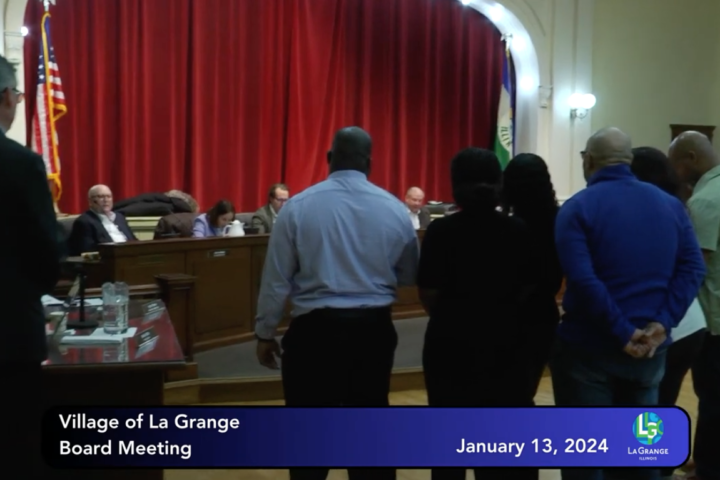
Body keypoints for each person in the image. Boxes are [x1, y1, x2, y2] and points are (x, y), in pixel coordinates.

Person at [254, 126, 419, 480]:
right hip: (373, 330)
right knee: (370, 431)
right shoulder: (395, 210)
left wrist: (265, 332)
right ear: (370, 163)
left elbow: (276, 279)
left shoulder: (297, 208)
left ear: (329, 160)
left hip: (315, 333)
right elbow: (408, 275)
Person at [551, 128, 705, 480]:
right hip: (651, 352)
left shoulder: (577, 209)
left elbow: (584, 280)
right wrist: (662, 323)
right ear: (630, 162)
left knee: (586, 458)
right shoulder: (671, 206)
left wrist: (622, 332)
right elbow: (694, 267)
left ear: (588, 161)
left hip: (589, 349)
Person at [418, 148, 536, 480]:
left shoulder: (442, 232)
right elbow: (530, 286)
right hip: (506, 344)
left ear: (455, 186)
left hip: (450, 344)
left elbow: (428, 293)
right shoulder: (517, 230)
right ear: (499, 184)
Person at [0, 54, 62, 475]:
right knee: (16, 447)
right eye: (20, 97)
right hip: (8, 334)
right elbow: (46, 254)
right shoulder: (20, 164)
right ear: (6, 96)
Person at [631, 146, 706, 480]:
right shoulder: (678, 206)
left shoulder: (640, 212)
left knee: (645, 409)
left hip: (664, 324)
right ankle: (661, 464)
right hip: (690, 321)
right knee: (663, 402)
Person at [668, 131, 720, 480]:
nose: (673, 170)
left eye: (676, 162)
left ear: (690, 157)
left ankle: (708, 467)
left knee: (712, 395)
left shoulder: (705, 201)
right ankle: (705, 456)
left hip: (713, 316)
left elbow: (694, 264)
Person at [502, 153, 563, 402]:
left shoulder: (509, 228)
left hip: (509, 317)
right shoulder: (560, 221)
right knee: (524, 392)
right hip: (543, 315)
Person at [67, 184, 137, 255]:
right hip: (109, 260)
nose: (106, 200)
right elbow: (88, 251)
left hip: (130, 257)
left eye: (108, 197)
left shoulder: (119, 217)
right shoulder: (84, 222)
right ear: (91, 201)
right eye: (101, 197)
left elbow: (134, 241)